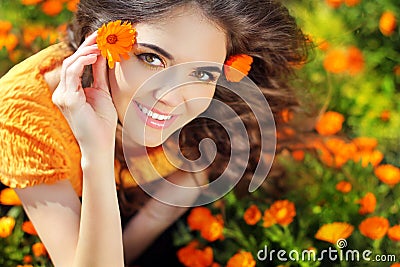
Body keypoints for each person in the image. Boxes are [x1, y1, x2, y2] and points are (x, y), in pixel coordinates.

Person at [0, 0, 309, 266]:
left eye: (202, 73)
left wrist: (163, 208)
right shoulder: (24, 117)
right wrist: (97, 150)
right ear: (100, 42)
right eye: (151, 58)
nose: (173, 96)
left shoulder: (207, 122)